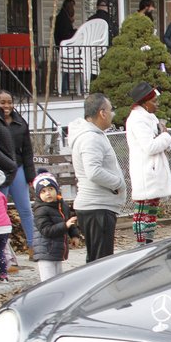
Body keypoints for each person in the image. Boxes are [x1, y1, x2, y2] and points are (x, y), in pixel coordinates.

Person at [69, 93, 125, 263]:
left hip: (99, 206)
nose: (113, 114)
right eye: (111, 110)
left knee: (97, 260)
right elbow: (93, 171)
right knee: (101, 263)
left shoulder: (93, 134)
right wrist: (118, 183)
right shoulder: (90, 138)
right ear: (102, 113)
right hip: (97, 207)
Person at [125, 82, 171, 244]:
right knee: (142, 209)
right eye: (154, 101)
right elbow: (150, 146)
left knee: (152, 209)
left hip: (153, 169)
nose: (157, 104)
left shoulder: (149, 117)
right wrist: (166, 136)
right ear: (145, 103)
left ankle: (148, 241)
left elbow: (163, 143)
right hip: (145, 170)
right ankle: (142, 243)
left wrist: (164, 138)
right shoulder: (137, 120)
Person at [0, 91, 35, 250]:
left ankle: (34, 245)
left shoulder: (20, 122)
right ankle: (0, 249)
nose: (7, 106)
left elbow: (27, 150)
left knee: (25, 209)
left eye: (9, 102)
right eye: (3, 102)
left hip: (18, 168)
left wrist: (30, 175)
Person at [30, 171, 80, 282]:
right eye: (43, 191)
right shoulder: (40, 210)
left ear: (56, 189)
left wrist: (74, 235)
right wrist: (65, 225)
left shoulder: (61, 205)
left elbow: (69, 221)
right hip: (45, 251)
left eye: (50, 189)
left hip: (57, 250)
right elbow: (46, 230)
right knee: (48, 281)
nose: (48, 193)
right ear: (38, 194)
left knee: (58, 280)